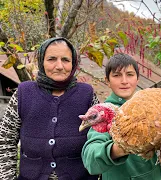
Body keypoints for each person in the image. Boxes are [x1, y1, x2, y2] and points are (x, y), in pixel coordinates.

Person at [0, 37, 99, 179]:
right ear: (41, 61)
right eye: (52, 59)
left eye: (65, 60)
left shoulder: (87, 94)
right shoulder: (23, 93)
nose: (59, 66)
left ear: (73, 63)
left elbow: (100, 138)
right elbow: (5, 140)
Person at [81, 53, 161, 180]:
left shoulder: (151, 107)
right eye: (117, 75)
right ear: (107, 81)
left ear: (137, 78)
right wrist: (119, 149)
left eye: (129, 75)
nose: (124, 81)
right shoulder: (106, 112)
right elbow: (91, 160)